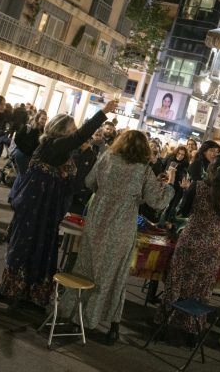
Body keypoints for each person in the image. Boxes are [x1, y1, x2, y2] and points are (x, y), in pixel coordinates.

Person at [0, 99, 117, 309]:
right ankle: (11, 289)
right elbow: (80, 137)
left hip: (45, 211)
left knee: (41, 250)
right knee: (25, 248)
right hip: (35, 210)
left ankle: (30, 293)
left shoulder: (58, 149)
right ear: (61, 131)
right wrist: (102, 112)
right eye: (72, 129)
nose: (76, 132)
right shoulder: (53, 145)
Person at [61, 130, 174, 343]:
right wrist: (167, 187)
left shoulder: (107, 158)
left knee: (87, 266)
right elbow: (157, 202)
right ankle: (111, 325)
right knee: (113, 275)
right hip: (121, 227)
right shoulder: (143, 171)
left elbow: (89, 182)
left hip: (97, 220)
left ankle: (76, 317)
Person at [160, 155, 220, 344]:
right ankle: (193, 330)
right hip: (212, 245)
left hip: (191, 239)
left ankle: (168, 324)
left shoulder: (197, 186)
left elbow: (183, 212)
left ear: (210, 168)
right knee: (201, 287)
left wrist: (184, 192)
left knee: (179, 280)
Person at [10, 110, 48, 188]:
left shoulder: (42, 131)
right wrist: (26, 150)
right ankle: (16, 195)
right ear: (37, 118)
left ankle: (13, 196)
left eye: (45, 119)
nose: (43, 121)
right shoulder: (29, 127)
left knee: (22, 175)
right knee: (23, 175)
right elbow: (17, 139)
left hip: (30, 156)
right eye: (42, 118)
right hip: (22, 154)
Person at [158, 145, 191, 225]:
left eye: (182, 154)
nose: (180, 156)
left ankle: (166, 221)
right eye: (179, 153)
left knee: (172, 205)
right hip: (166, 183)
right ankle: (157, 220)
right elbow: (162, 167)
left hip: (178, 187)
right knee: (161, 203)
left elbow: (184, 175)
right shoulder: (170, 158)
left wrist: (176, 173)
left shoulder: (185, 164)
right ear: (176, 153)